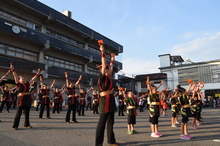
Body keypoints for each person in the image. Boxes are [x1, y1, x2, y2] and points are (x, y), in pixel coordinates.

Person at [95, 40, 118, 146]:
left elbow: (111, 66)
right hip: (104, 101)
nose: (110, 70)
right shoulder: (102, 77)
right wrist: (103, 52)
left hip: (111, 100)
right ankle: (98, 144)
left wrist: (113, 58)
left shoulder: (109, 77)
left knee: (110, 123)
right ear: (104, 71)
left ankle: (111, 141)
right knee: (102, 123)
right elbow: (104, 65)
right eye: (108, 69)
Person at [10, 63, 40, 130]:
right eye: (21, 78)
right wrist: (13, 70)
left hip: (27, 100)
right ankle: (15, 126)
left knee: (27, 114)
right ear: (19, 80)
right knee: (18, 114)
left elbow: (33, 79)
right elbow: (15, 76)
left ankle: (27, 124)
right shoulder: (19, 84)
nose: (23, 78)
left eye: (23, 78)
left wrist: (37, 73)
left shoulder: (27, 84)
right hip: (20, 100)